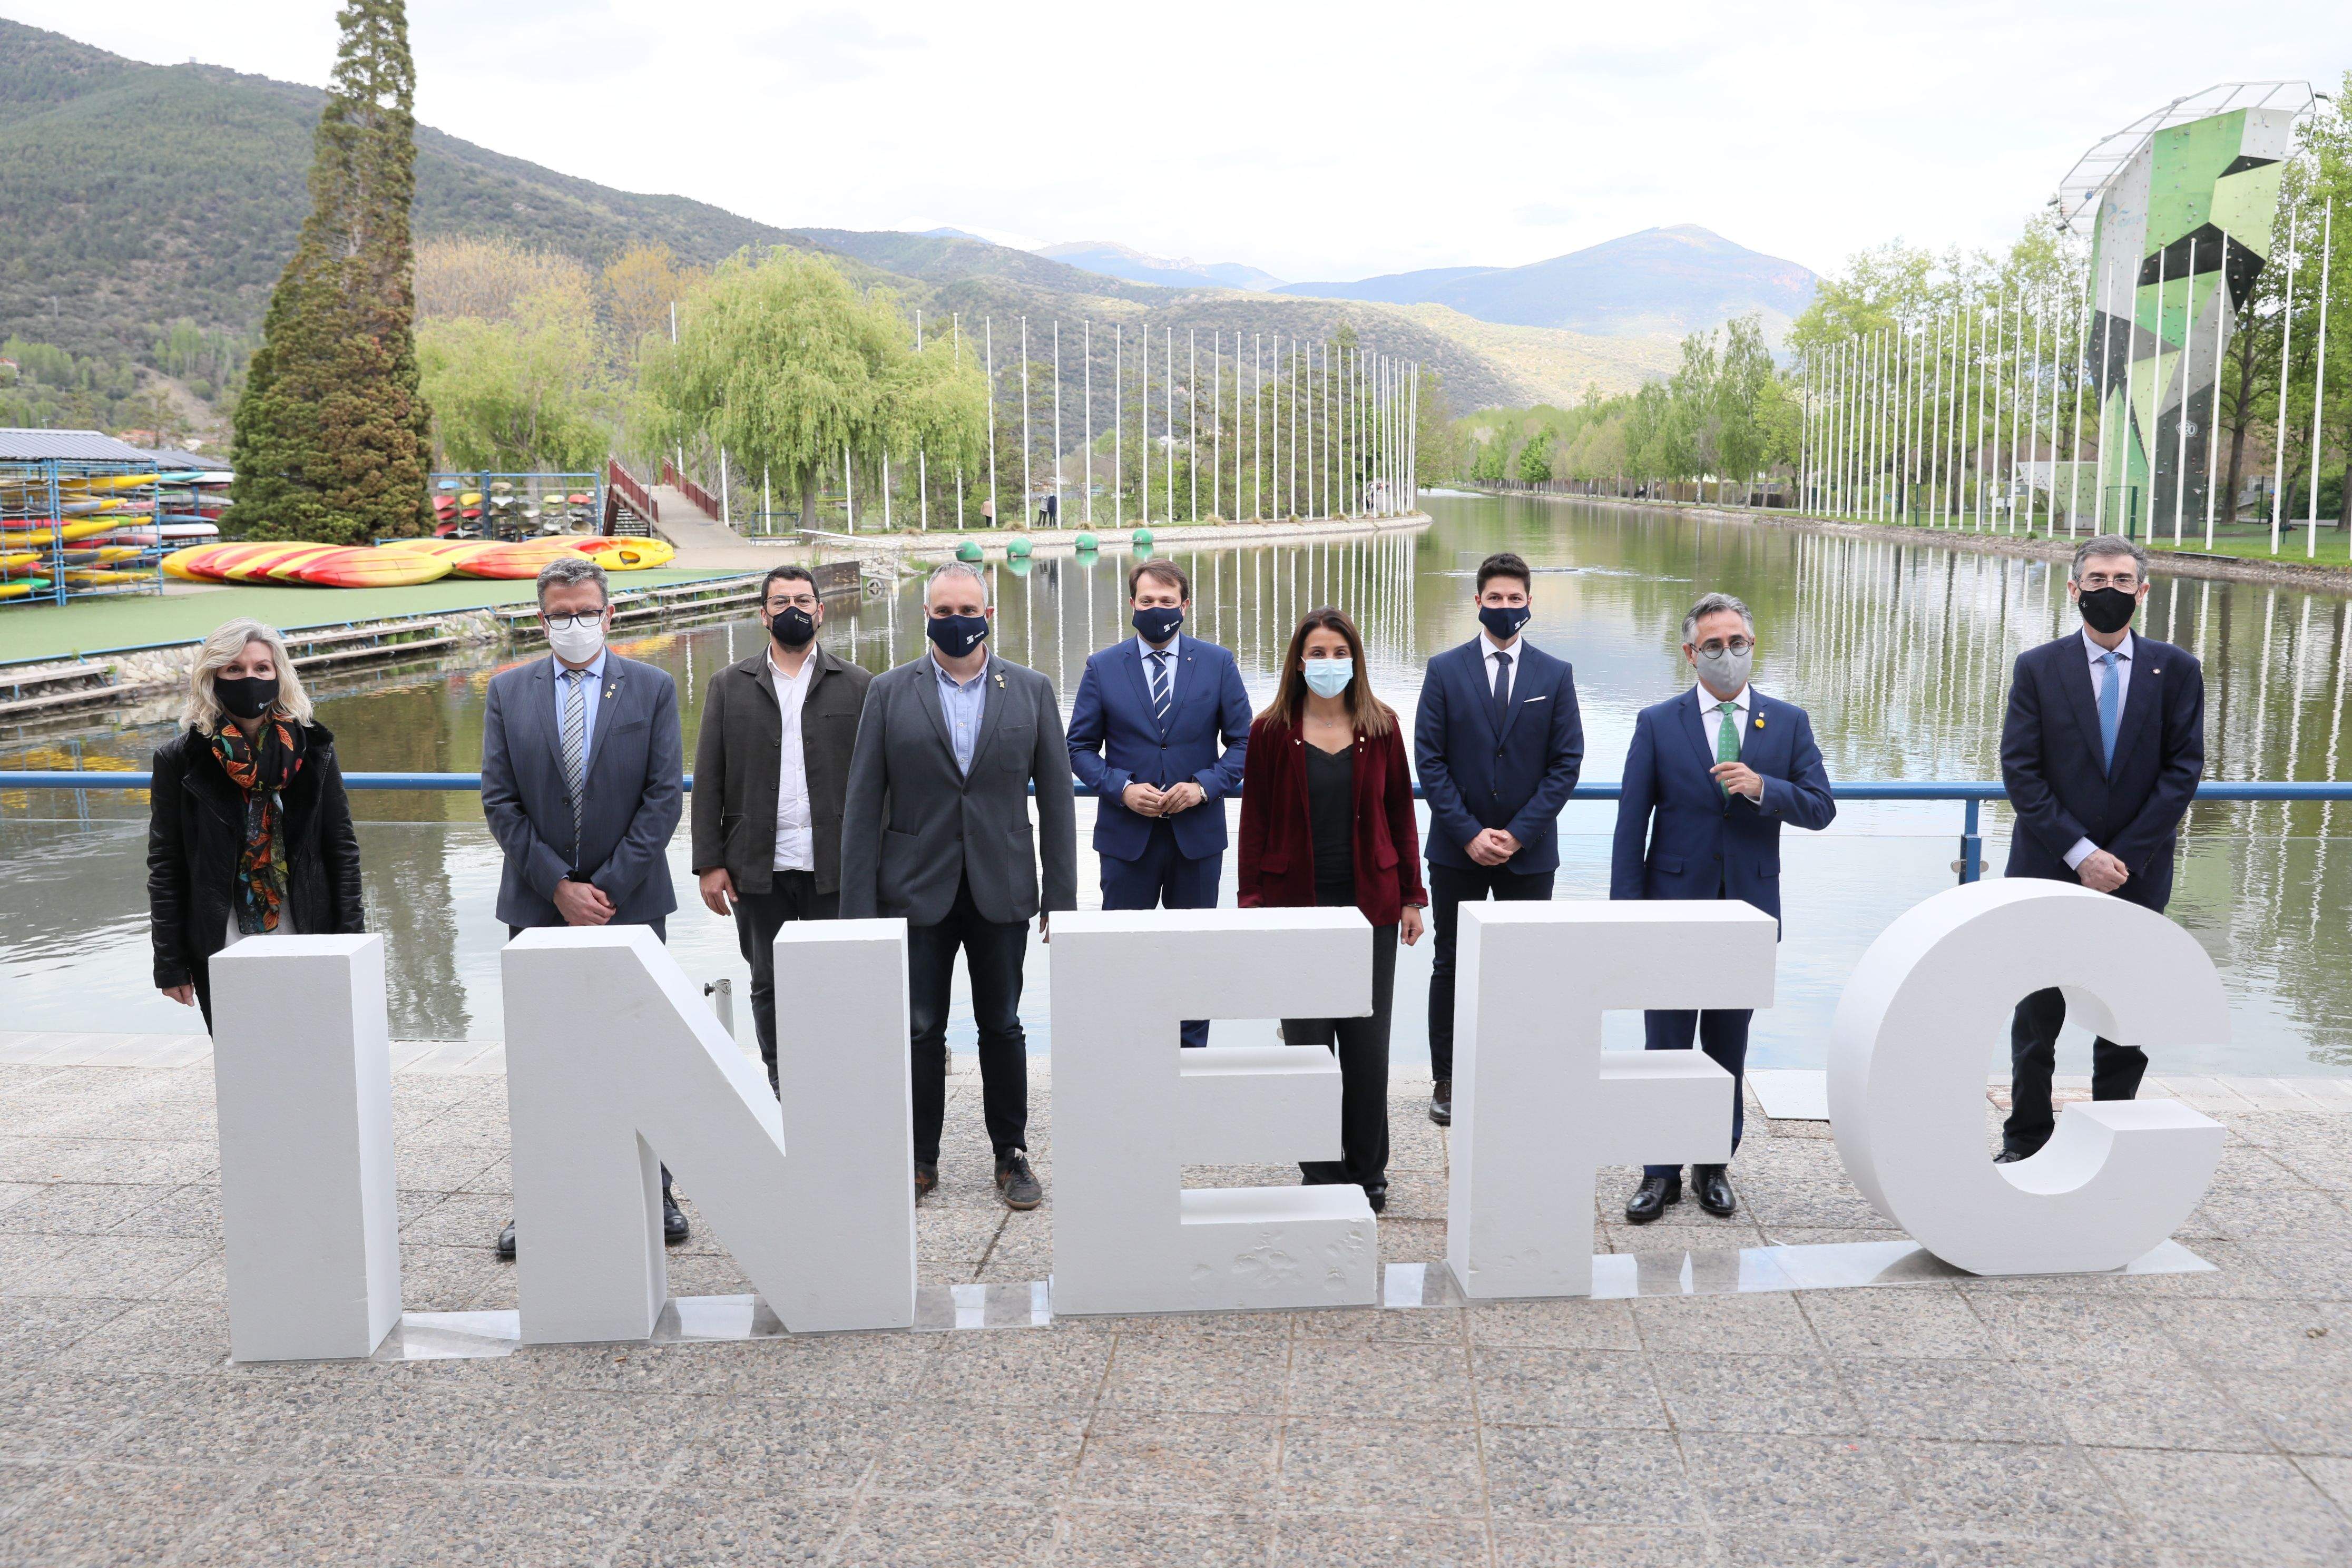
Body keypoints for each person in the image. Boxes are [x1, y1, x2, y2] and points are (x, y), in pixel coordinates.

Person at [839, 561, 1076, 1209]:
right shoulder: (889, 692)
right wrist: (857, 909)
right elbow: (862, 804)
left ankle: (1011, 1154)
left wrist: (1061, 898)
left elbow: (1058, 800)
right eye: (943, 611)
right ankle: (919, 1158)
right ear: (927, 616)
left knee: (1002, 1023)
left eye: (968, 610)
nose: (956, 621)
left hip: (1003, 885)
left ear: (988, 614)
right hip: (914, 890)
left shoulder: (1031, 690)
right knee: (920, 1029)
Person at [481, 554, 686, 1257]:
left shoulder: (652, 688)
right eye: (561, 614)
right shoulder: (507, 692)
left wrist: (607, 889)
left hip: (632, 903)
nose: (575, 624)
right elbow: (499, 801)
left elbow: (663, 798)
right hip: (538, 905)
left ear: (609, 613)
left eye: (586, 612)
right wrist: (558, 888)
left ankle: (656, 1191)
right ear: (541, 619)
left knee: (642, 1051)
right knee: (546, 1060)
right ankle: (542, 1200)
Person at [1611, 591, 1834, 1224]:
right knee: (1666, 1044)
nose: (1727, 654)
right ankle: (1659, 1173)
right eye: (1713, 645)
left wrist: (1764, 788)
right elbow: (1631, 826)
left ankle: (1713, 1166)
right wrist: (1627, 913)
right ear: (1691, 653)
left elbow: (1821, 807)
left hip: (1748, 913)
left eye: (1737, 642)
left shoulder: (1787, 722)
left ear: (1752, 645)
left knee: (1726, 1046)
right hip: (1671, 910)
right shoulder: (1659, 722)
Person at [1997, 534, 2204, 1162]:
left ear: (2142, 592)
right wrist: (2081, 852)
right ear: (2074, 589)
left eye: (2121, 580)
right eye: (2096, 580)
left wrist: (2123, 858)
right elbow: (2021, 771)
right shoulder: (2038, 667)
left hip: (2136, 875)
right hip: (2048, 868)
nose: (2107, 590)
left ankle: (2111, 1143)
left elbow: (2183, 771)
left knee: (2125, 1019)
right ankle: (2027, 1139)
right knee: (2037, 1019)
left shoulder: (2178, 670)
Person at [1236, 606, 1426, 1212]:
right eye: (1317, 653)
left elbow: (1401, 815)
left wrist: (1413, 897)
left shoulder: (1382, 726)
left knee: (1367, 1048)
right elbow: (1254, 822)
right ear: (1299, 661)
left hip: (1372, 908)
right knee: (1309, 1048)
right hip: (1296, 910)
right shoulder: (1270, 731)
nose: (1328, 663)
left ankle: (1369, 1171)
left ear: (1355, 660)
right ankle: (1320, 1170)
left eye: (1339, 653)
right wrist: (1252, 902)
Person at [1414, 551, 1584, 1125]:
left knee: (1524, 967)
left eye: (1515, 598)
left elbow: (1566, 764)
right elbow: (1429, 761)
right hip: (1456, 849)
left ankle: (1518, 1073)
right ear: (1478, 602)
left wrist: (1516, 834)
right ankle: (1447, 1079)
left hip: (1529, 852)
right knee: (1450, 963)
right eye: (1495, 598)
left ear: (1530, 602)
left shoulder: (1555, 674)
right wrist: (1468, 833)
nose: (1505, 607)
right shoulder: (1444, 670)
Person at [691, 565, 871, 1092]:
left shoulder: (859, 685)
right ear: (763, 615)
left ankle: (835, 1084)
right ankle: (782, 1086)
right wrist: (709, 863)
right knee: (767, 983)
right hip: (756, 867)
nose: (793, 610)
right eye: (780, 602)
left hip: (835, 867)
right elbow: (709, 778)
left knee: (837, 979)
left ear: (821, 610)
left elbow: (878, 782)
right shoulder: (729, 685)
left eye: (803, 600)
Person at [1065, 558, 1252, 1047]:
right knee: (1124, 958)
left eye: (1167, 601)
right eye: (1147, 600)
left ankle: (1191, 1057)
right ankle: (1128, 1053)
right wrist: (1121, 788)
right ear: (1132, 604)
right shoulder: (1102, 667)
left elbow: (1244, 743)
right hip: (1127, 841)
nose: (1156, 609)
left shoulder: (1218, 663)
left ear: (1185, 605)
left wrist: (1205, 786)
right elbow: (1078, 748)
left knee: (1195, 959)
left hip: (1198, 839)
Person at [148, 619, 364, 1031]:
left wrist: (353, 940)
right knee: (244, 1051)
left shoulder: (314, 752)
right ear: (212, 678)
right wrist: (170, 963)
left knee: (318, 1045)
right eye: (235, 669)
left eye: (262, 668)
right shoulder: (179, 760)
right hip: (222, 939)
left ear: (279, 675)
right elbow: (167, 866)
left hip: (309, 931)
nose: (250, 678)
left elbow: (341, 849)